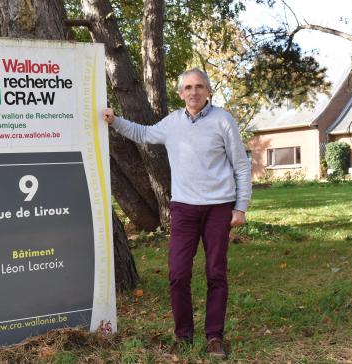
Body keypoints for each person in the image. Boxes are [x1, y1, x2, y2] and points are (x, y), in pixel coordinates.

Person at [103, 68, 251, 358]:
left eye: (199, 86)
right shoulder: (172, 123)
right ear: (181, 93)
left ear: (208, 91)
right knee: (178, 275)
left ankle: (214, 338)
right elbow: (142, 133)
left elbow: (241, 165)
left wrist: (241, 206)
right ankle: (183, 336)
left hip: (219, 207)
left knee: (215, 273)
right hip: (183, 209)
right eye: (188, 87)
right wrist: (115, 120)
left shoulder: (223, 121)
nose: (193, 92)